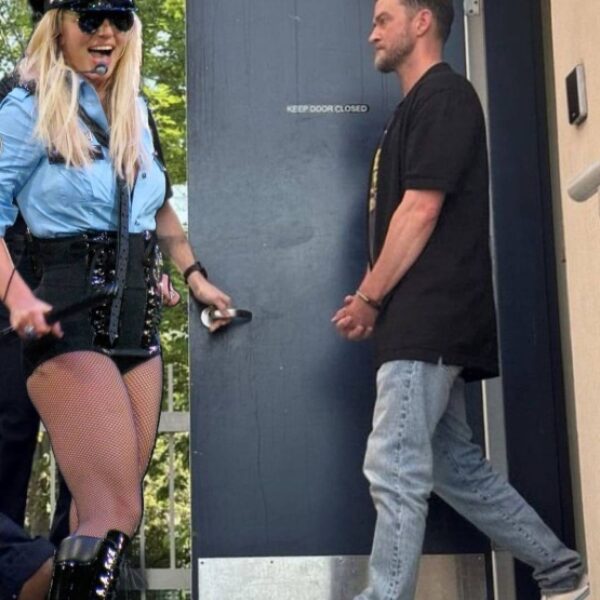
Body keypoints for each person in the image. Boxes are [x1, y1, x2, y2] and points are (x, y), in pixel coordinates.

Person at [332, 1, 589, 599]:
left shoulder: (445, 98)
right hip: (417, 322)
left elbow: (422, 210)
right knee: (452, 466)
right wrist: (371, 295)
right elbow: (396, 217)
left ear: (422, 20)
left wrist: (371, 296)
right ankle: (562, 573)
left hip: (430, 320)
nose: (372, 32)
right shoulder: (410, 112)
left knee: (393, 469)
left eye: (384, 18)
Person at [0, 0, 231, 596]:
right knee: (113, 511)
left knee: (103, 516)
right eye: (90, 18)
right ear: (57, 25)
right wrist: (17, 295)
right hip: (68, 322)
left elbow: (157, 209)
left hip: (135, 327)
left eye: (119, 19)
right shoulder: (28, 107)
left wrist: (194, 276)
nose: (106, 32)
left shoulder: (135, 109)